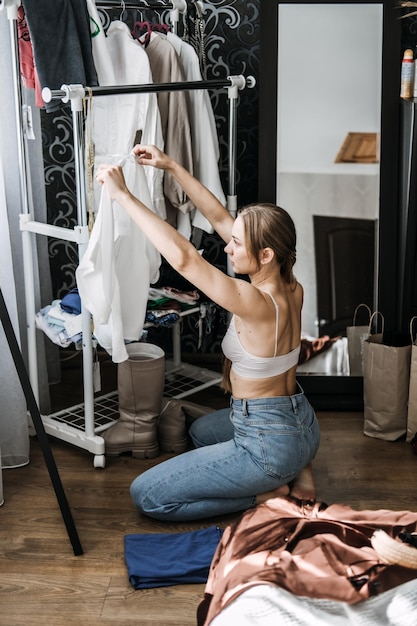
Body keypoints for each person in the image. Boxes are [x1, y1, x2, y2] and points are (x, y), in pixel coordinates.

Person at [95, 144, 320, 522]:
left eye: (237, 243)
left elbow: (184, 258)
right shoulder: (291, 285)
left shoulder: (254, 301)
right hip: (300, 423)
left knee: (147, 496)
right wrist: (170, 166)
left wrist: (123, 196)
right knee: (201, 430)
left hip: (266, 443)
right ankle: (300, 466)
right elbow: (217, 215)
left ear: (265, 254)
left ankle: (268, 494)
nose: (228, 247)